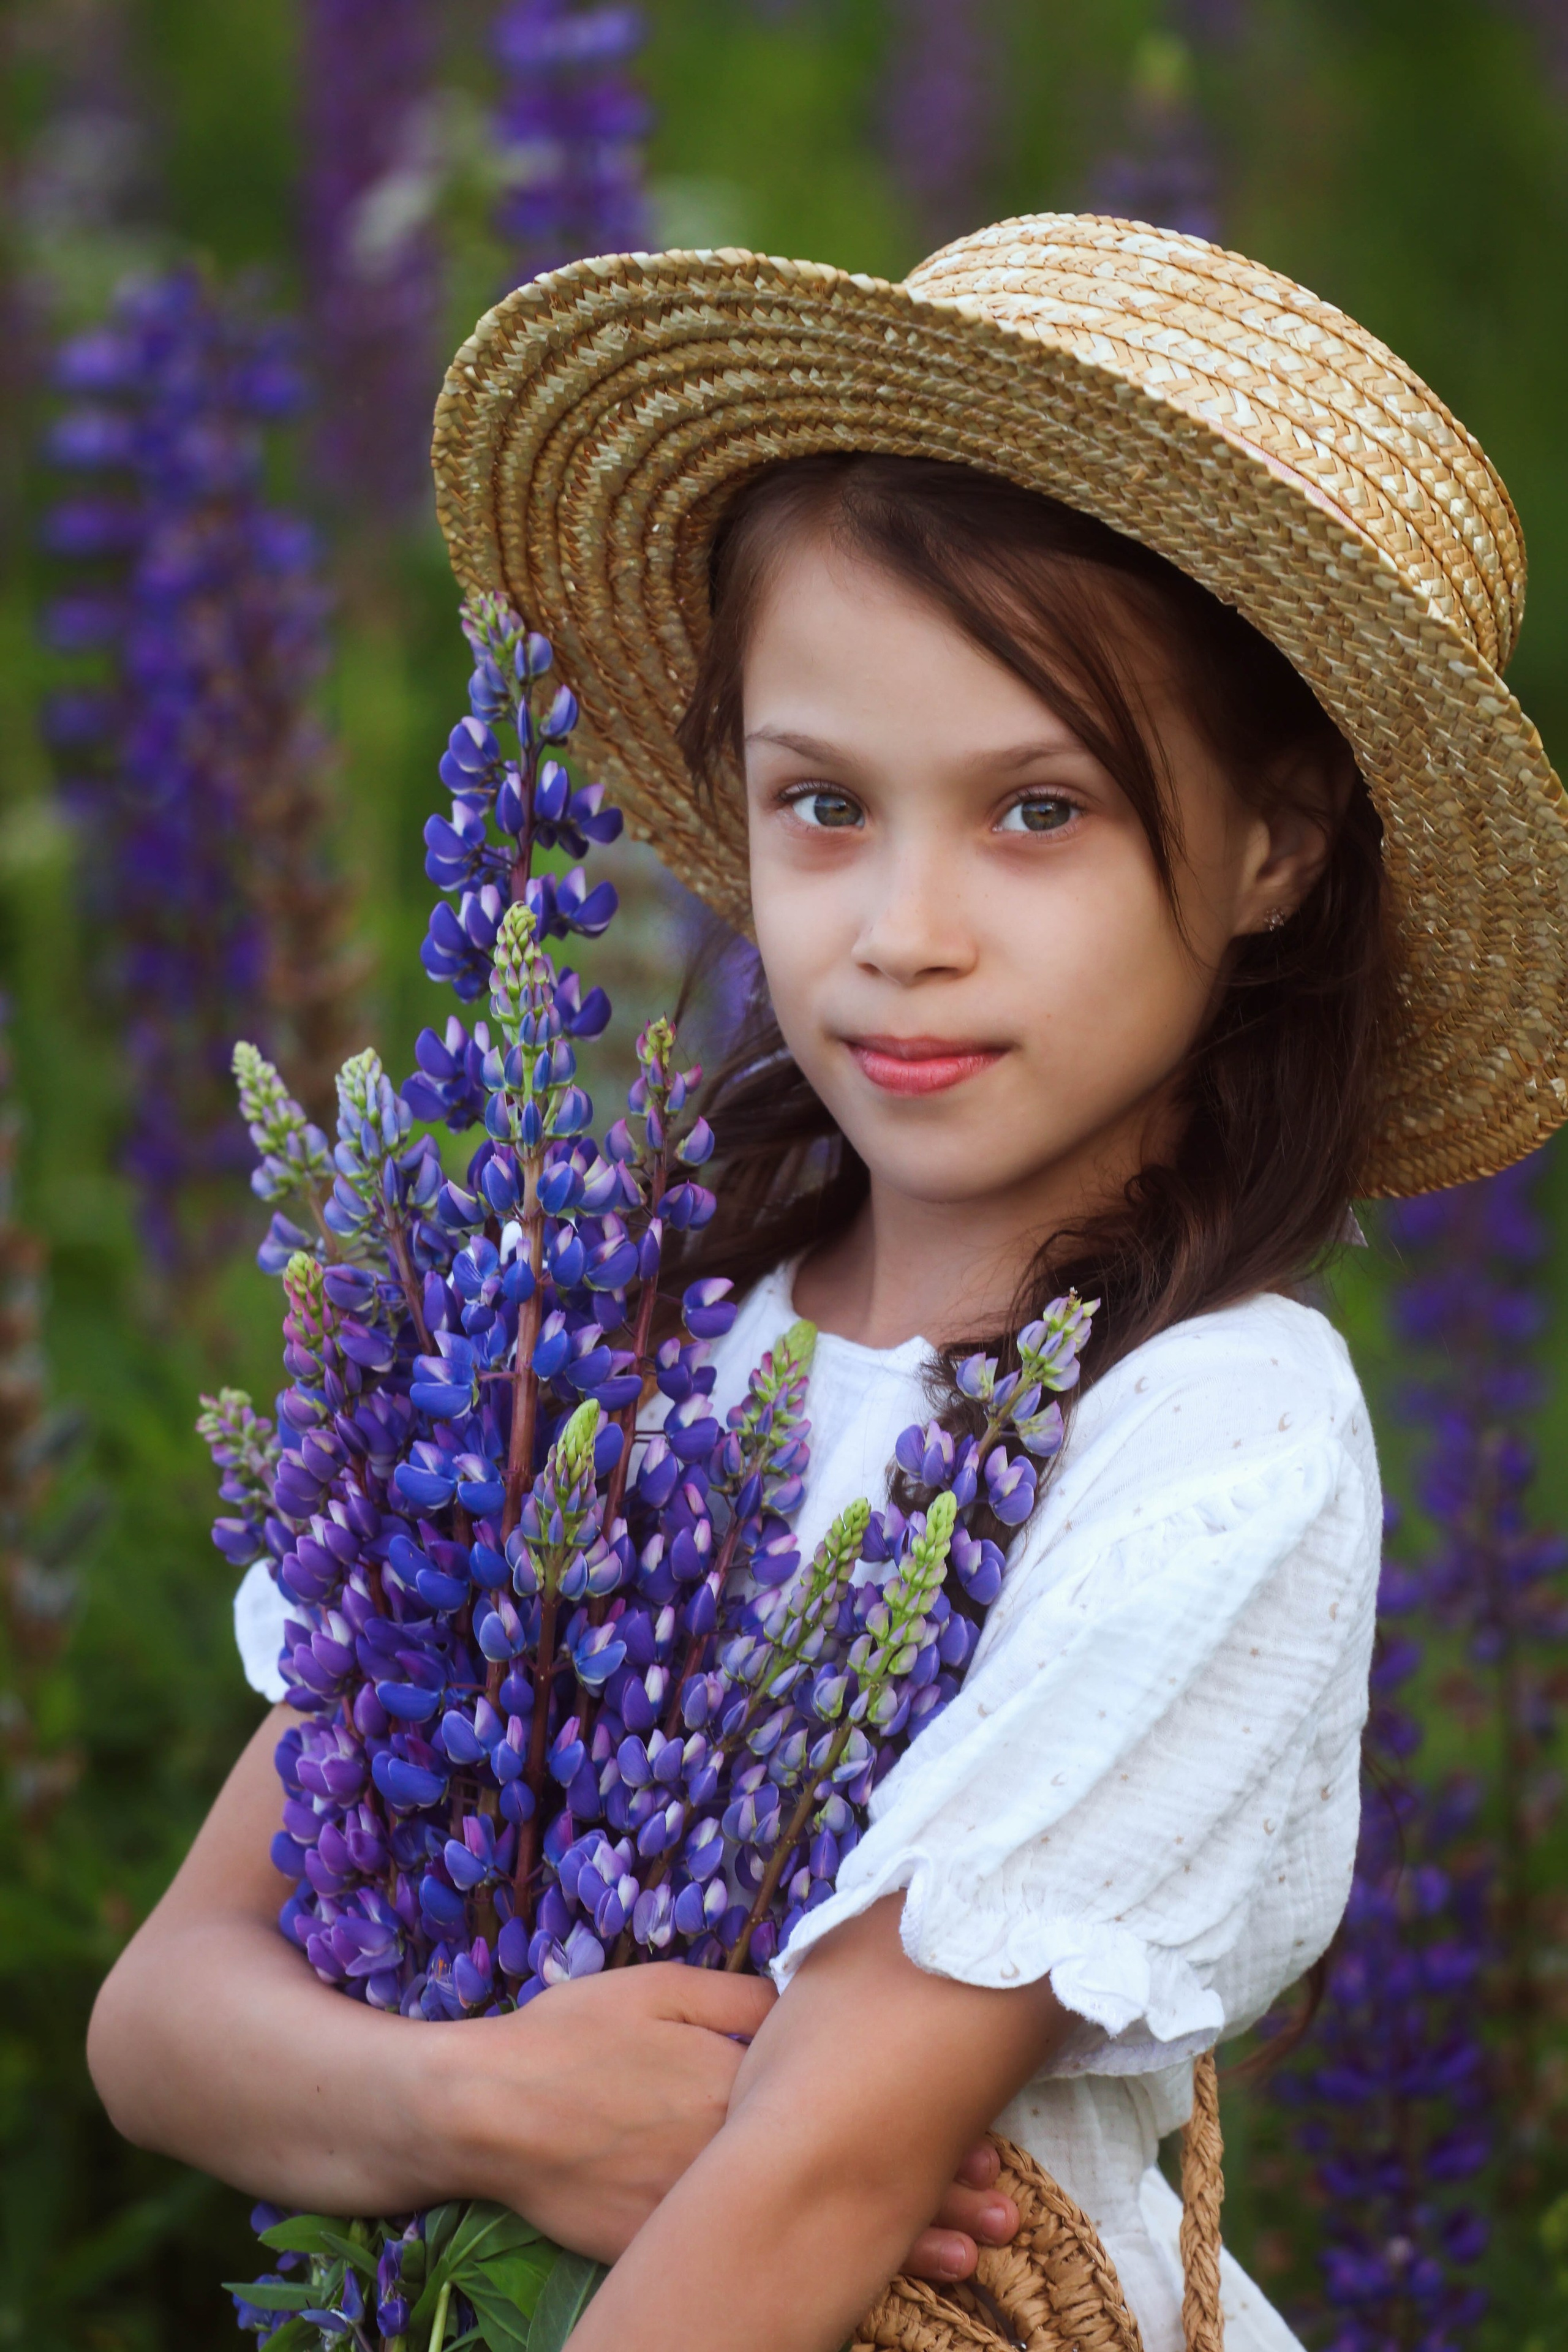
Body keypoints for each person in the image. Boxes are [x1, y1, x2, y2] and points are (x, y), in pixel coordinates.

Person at [87, 214, 1568, 2352]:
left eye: (1038, 811)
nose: (903, 930)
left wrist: (446, 2109)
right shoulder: (598, 1322)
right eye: (823, 803)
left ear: (1277, 846)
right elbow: (163, 2020)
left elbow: (825, 2171)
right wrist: (490, 2105)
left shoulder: (1213, 1432)